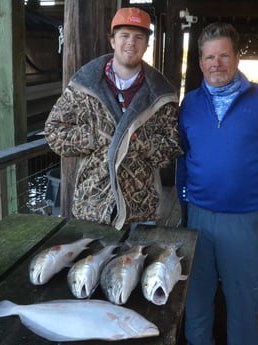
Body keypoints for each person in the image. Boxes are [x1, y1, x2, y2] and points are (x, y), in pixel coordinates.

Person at [176, 22, 258, 345]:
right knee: (196, 303)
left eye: (224, 55)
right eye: (209, 57)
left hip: (247, 220)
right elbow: (183, 155)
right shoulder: (190, 104)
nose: (216, 64)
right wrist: (185, 205)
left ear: (237, 58)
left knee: (243, 307)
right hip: (199, 217)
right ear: (199, 62)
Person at [44, 7, 182, 230]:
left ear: (147, 44)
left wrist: (133, 143)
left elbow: (172, 146)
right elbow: (53, 132)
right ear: (112, 41)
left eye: (139, 37)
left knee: (133, 264)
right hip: (92, 206)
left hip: (141, 208)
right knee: (89, 263)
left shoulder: (162, 95)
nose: (131, 43)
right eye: (124, 35)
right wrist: (96, 137)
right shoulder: (83, 86)